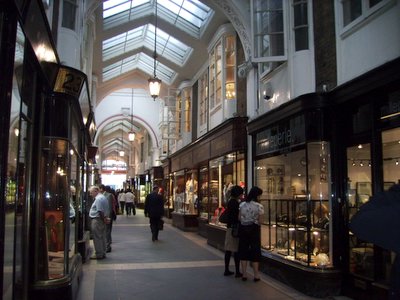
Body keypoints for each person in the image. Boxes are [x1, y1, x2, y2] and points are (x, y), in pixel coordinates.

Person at [238, 186, 264, 282]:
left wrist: (246, 220)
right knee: (255, 251)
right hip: (254, 230)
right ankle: (256, 275)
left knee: (243, 250)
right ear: (257, 196)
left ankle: (244, 274)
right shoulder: (259, 206)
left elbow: (239, 218)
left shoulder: (242, 205)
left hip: (243, 230)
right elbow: (261, 221)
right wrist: (254, 220)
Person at [223, 185, 244, 277]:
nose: (242, 195)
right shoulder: (235, 203)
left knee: (228, 250)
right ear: (238, 194)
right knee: (235, 250)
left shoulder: (230, 202)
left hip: (230, 227)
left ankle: (227, 269)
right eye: (241, 193)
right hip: (234, 229)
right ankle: (236, 271)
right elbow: (237, 217)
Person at [88, 185, 110, 259]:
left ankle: (99, 253)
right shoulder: (103, 197)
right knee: (102, 236)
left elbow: (100, 210)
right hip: (101, 219)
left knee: (97, 237)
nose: (90, 195)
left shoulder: (98, 199)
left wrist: (103, 219)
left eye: (91, 193)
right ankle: (103, 252)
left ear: (96, 191)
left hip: (97, 219)